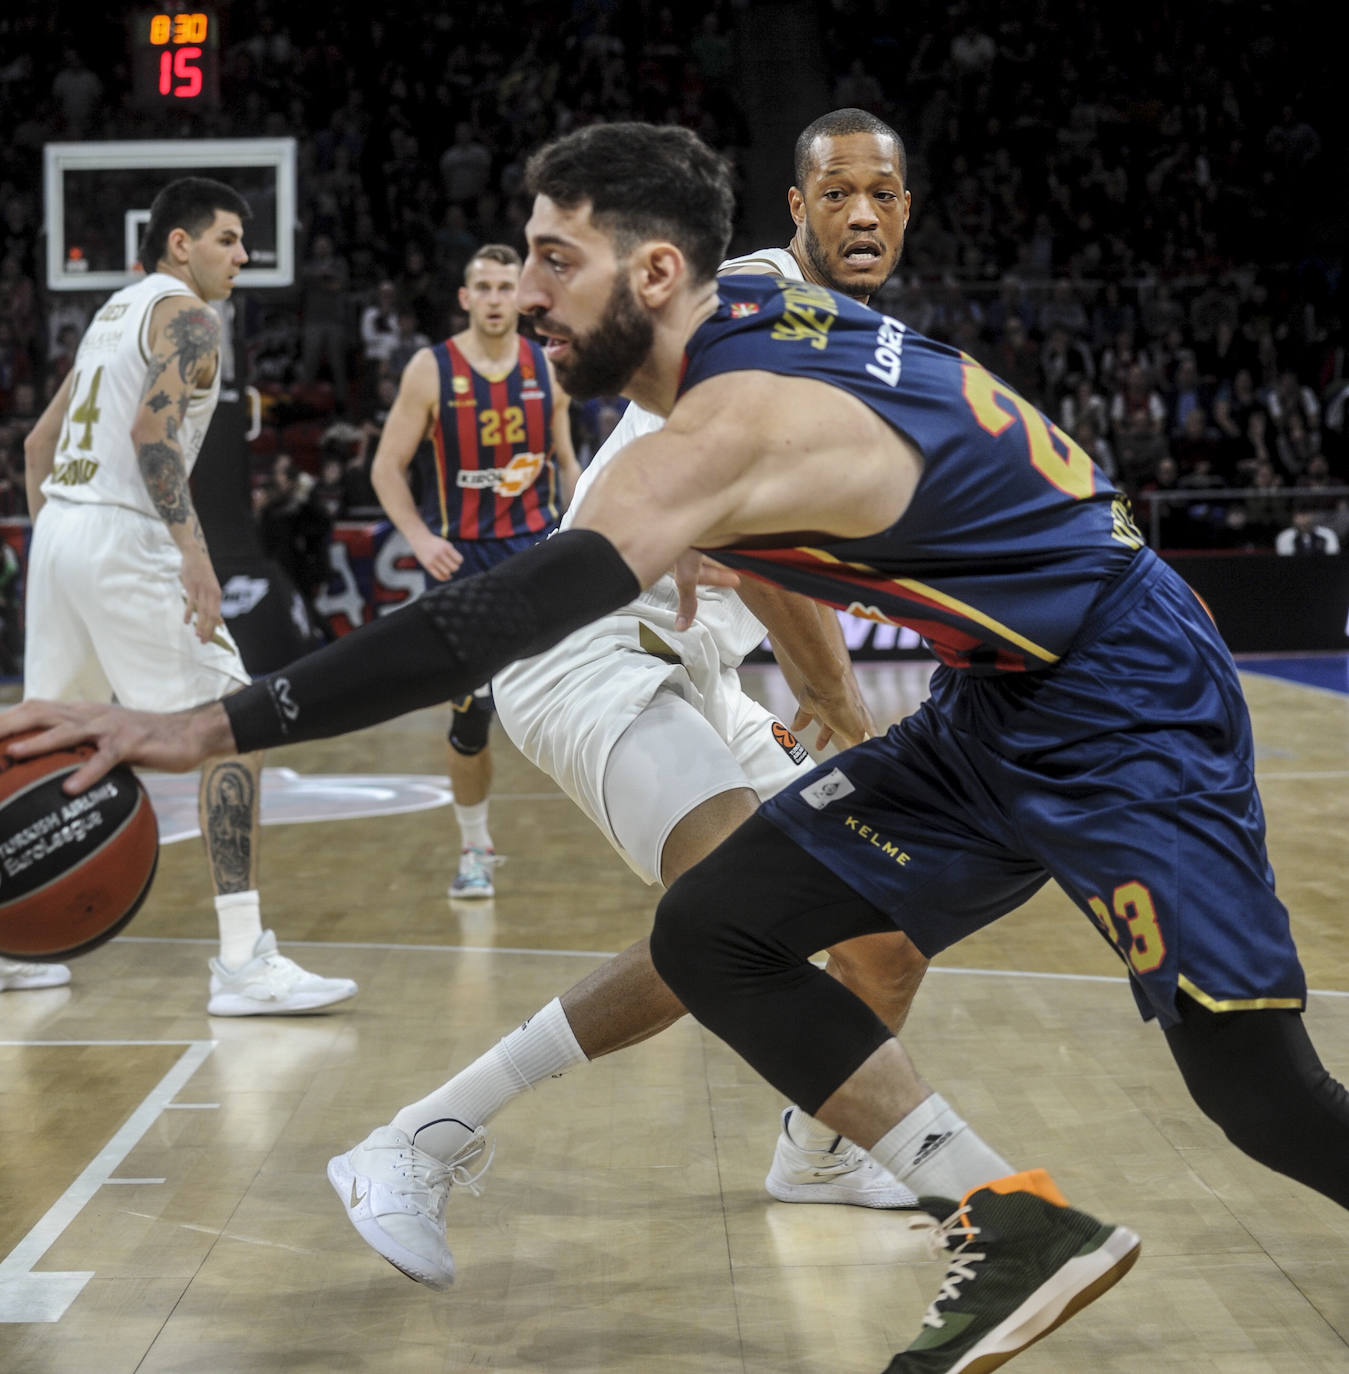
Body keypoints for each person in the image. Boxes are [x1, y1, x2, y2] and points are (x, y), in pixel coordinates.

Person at [10, 123, 1349, 1374]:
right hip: (999, 697)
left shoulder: (727, 427)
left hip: (1127, 700)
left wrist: (207, 721)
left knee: (1258, 1091)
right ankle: (1013, 1220)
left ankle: (496, 1137)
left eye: (553, 260)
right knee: (719, 922)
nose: (524, 292)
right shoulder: (753, 309)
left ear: (655, 271)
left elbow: (491, 617)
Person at [11, 177, 356, 1016]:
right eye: (230, 240)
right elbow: (152, 435)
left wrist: (60, 542)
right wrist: (191, 552)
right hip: (122, 534)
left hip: (62, 530)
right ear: (179, 245)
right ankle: (242, 961)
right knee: (235, 722)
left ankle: (12, 945)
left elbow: (36, 443)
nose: (243, 256)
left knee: (39, 736)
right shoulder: (192, 319)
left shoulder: (112, 315)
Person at [370, 243, 581, 897]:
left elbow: (566, 464)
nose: (494, 298)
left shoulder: (549, 366)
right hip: (463, 562)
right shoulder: (430, 370)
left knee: (587, 699)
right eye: (482, 287)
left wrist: (582, 533)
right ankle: (474, 847)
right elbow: (384, 467)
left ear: (520, 295)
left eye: (504, 287)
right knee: (470, 718)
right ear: (464, 298)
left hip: (536, 552)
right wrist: (417, 537)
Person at [1275, 502, 1341, 555]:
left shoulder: (1328, 534)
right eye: (1299, 515)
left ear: (1313, 515)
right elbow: (1285, 562)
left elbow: (1333, 558)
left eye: (1307, 514)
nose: (1304, 519)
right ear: (1294, 518)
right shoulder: (1285, 537)